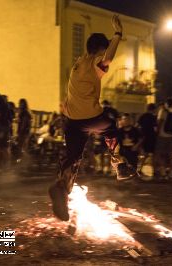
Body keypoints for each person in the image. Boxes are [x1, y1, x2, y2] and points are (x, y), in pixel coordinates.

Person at [48, 15, 137, 221]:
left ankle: (61, 189)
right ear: (98, 50)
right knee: (110, 127)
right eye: (102, 50)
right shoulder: (95, 62)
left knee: (73, 158)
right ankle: (119, 166)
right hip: (91, 117)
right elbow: (108, 57)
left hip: (72, 121)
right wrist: (117, 34)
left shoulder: (78, 63)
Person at [154, 98, 172, 179]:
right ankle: (171, 172)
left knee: (159, 154)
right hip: (171, 135)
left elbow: (160, 122)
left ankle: (163, 172)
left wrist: (157, 132)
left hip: (162, 135)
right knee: (171, 154)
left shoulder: (163, 111)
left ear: (166, 104)